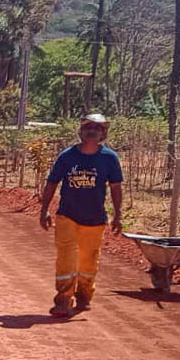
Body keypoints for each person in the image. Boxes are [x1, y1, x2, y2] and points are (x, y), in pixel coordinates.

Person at [39, 113, 124, 317]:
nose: (91, 131)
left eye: (97, 128)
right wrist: (44, 210)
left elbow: (115, 187)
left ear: (103, 133)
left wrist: (118, 214)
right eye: (88, 127)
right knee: (66, 260)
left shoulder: (109, 159)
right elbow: (52, 183)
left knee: (88, 261)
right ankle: (63, 300)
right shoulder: (67, 156)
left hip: (95, 219)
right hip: (67, 215)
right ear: (81, 131)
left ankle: (84, 296)